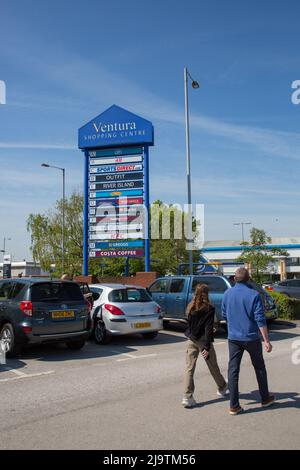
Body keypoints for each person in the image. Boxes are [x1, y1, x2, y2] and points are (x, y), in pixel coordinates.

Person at [222, 267, 275, 415]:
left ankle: (234, 405)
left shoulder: (227, 294)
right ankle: (265, 398)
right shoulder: (254, 294)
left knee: (233, 370)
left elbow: (224, 314)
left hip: (233, 338)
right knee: (259, 367)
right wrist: (266, 340)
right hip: (251, 337)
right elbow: (260, 319)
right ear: (248, 279)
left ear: (234, 278)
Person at [182, 284, 228, 408]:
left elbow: (190, 324)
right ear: (207, 294)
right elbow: (208, 329)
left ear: (195, 293)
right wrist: (206, 347)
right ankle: (222, 387)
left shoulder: (190, 307)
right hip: (203, 341)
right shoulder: (209, 308)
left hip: (191, 340)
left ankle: (187, 396)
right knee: (213, 366)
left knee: (189, 368)